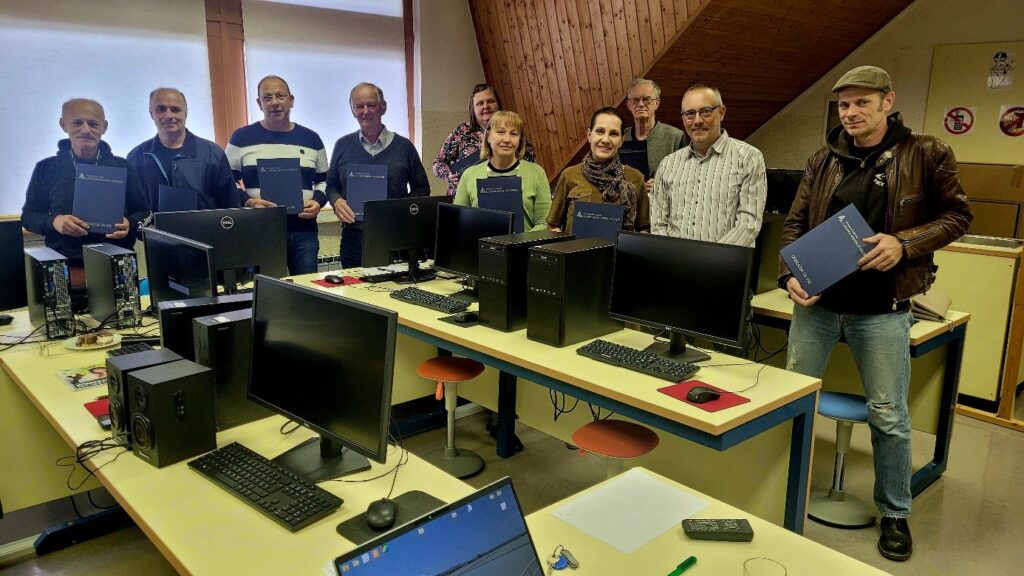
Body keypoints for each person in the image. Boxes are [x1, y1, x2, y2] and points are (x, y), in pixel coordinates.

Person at [779, 66, 973, 562]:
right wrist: (789, 276)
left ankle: (894, 513)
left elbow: (958, 216)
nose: (851, 113)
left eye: (862, 102)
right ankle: (780, 489)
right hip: (820, 307)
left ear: (888, 101)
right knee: (791, 401)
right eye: (844, 105)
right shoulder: (823, 159)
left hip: (882, 311)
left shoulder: (925, 152)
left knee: (888, 415)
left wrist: (904, 243)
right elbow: (795, 224)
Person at [22, 99, 150, 283]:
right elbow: (29, 217)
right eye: (77, 123)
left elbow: (144, 213)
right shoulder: (46, 168)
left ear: (104, 127)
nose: (86, 129)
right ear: (63, 125)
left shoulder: (123, 167)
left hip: (119, 267)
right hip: (65, 270)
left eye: (93, 123)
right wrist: (54, 221)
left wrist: (131, 224)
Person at [225, 76, 328, 275]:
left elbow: (324, 180)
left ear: (291, 100)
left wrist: (318, 202)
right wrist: (248, 201)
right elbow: (228, 180)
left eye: (280, 96)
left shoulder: (312, 139)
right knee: (265, 290)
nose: (274, 102)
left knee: (306, 288)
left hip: (303, 230)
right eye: (267, 97)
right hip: (260, 230)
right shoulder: (241, 137)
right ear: (259, 103)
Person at [327, 82, 430, 268]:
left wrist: (400, 206)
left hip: (395, 236)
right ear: (353, 111)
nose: (365, 111)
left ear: (383, 107)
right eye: (360, 106)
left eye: (371, 105)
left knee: (394, 285)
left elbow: (422, 187)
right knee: (353, 286)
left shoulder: (404, 147)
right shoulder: (342, 145)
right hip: (354, 238)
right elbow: (331, 185)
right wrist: (336, 201)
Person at [649, 84, 766, 247]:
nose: (697, 121)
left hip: (726, 261)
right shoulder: (668, 164)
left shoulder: (749, 158)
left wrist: (712, 258)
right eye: (690, 114)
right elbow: (658, 224)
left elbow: (748, 224)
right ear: (683, 118)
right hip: (674, 260)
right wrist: (671, 255)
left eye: (705, 111)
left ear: (721, 112)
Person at [127, 88, 239, 212]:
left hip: (203, 225)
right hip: (153, 225)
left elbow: (231, 206)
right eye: (161, 109)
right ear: (151, 114)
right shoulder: (136, 157)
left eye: (175, 109)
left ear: (186, 113)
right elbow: (131, 208)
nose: (169, 116)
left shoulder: (213, 154)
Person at [547, 107, 648, 233]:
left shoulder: (636, 178)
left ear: (622, 140)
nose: (605, 140)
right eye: (600, 131)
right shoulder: (569, 175)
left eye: (613, 134)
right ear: (589, 135)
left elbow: (644, 229)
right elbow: (552, 225)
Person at [432, 84, 536, 197]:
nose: (486, 106)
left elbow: (529, 160)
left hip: (504, 196)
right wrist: (449, 174)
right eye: (480, 103)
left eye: (490, 101)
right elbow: (438, 164)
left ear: (498, 104)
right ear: (473, 108)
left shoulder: (513, 130)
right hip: (463, 198)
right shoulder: (461, 132)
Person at [454, 110, 550, 231]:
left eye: (513, 134)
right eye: (500, 132)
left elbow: (543, 222)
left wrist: (520, 240)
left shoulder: (536, 173)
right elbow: (458, 222)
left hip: (525, 243)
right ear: (488, 137)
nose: (507, 139)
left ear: (520, 140)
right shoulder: (469, 175)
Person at [623, 78, 685, 190]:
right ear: (629, 105)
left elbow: (686, 179)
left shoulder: (675, 137)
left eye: (646, 99)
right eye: (635, 100)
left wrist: (663, 186)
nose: (640, 104)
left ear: (657, 103)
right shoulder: (620, 137)